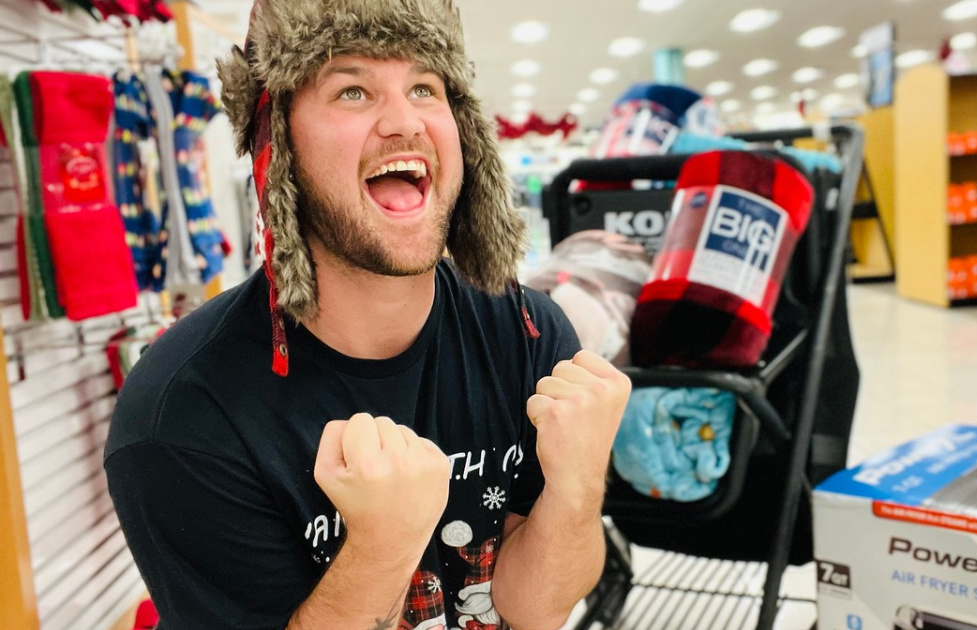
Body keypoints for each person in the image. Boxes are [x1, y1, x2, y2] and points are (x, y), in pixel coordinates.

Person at [103, 1, 630, 629]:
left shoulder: (527, 333)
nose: (404, 121)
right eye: (352, 89)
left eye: (425, 87)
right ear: (280, 146)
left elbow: (537, 609)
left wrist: (576, 487)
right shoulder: (183, 412)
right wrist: (381, 548)